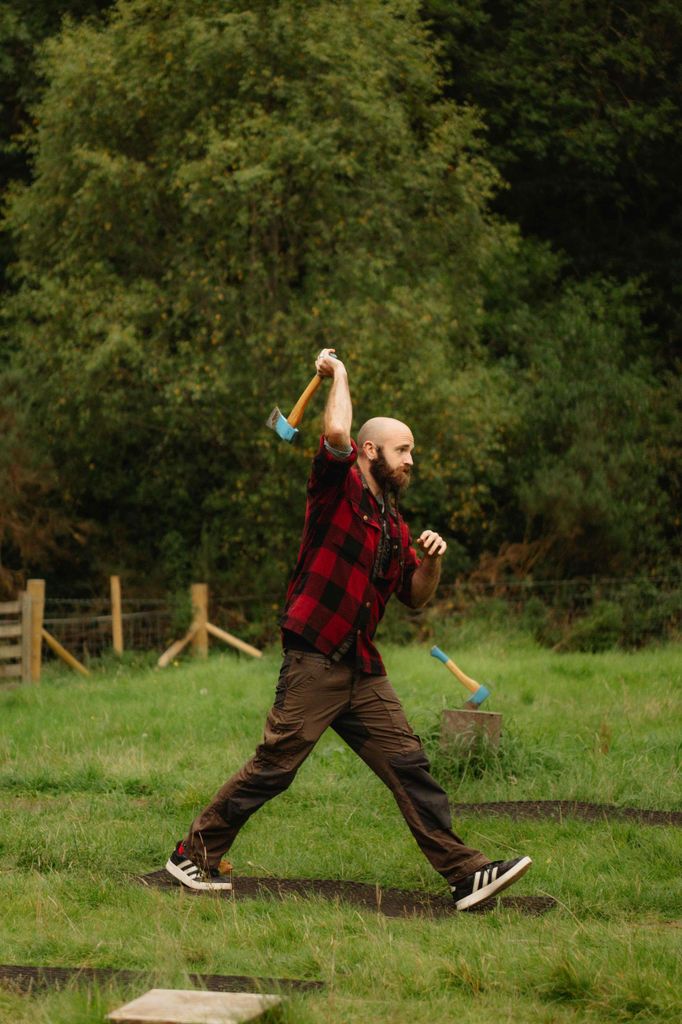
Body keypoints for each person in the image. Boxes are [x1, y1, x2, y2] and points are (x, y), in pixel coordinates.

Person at [165, 349, 531, 910]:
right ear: (369, 451)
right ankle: (194, 854)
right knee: (275, 766)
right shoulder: (334, 489)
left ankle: (466, 874)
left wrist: (432, 559)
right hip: (314, 659)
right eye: (403, 450)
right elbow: (334, 427)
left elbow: (414, 597)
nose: (412, 460)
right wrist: (338, 373)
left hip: (360, 666)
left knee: (410, 767)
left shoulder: (394, 521)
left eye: (412, 452)